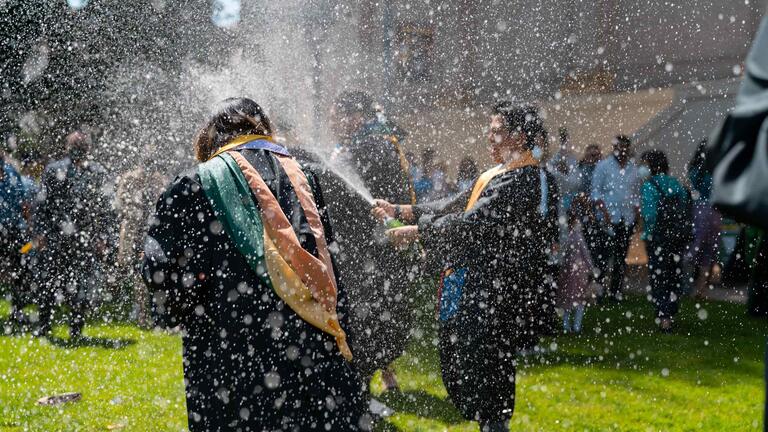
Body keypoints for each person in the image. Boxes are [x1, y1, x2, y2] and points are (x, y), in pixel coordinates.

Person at [142, 98, 367, 431]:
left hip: (229, 359)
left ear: (210, 135)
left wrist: (186, 308)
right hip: (311, 353)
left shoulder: (194, 183)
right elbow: (328, 262)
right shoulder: (303, 176)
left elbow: (159, 273)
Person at [372, 102, 549, 432]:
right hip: (472, 287)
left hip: (494, 293)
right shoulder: (495, 174)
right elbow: (451, 204)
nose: (490, 138)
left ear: (520, 137)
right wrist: (402, 209)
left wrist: (417, 232)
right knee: (462, 367)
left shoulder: (523, 178)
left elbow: (473, 223)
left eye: (497, 132)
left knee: (485, 373)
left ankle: (493, 423)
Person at [328, 90, 417, 390]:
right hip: (379, 243)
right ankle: (381, 373)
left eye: (337, 115)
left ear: (356, 118)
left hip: (370, 245)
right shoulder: (378, 140)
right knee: (381, 309)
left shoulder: (370, 146)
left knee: (368, 312)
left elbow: (349, 197)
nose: (333, 121)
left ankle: (362, 383)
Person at [33, 131, 115, 339]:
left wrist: (105, 237)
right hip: (65, 237)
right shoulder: (59, 171)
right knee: (59, 283)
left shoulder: (94, 172)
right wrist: (41, 233)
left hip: (74, 237)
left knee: (71, 284)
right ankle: (54, 327)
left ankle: (64, 329)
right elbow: (42, 205)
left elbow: (108, 210)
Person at [640, 149, 692, 332]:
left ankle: (664, 317)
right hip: (677, 237)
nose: (641, 168)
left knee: (659, 276)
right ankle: (671, 309)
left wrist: (649, 234)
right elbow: (685, 207)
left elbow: (649, 215)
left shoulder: (649, 186)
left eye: (644, 164)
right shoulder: (676, 183)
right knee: (674, 274)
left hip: (658, 239)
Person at [590, 135, 641, 301]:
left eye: (625, 147)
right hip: (607, 219)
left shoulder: (633, 168)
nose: (623, 151)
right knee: (602, 257)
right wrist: (603, 211)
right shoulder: (603, 166)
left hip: (626, 219)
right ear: (614, 148)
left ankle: (615, 291)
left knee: (621, 257)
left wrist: (637, 213)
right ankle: (599, 292)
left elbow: (635, 194)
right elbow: (595, 192)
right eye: (620, 147)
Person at [114, 165, 167, 327]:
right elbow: (121, 202)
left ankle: (152, 314)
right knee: (139, 274)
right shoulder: (130, 179)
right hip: (135, 231)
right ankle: (143, 314)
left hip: (150, 231)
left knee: (150, 273)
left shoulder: (158, 180)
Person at [0, 150, 36, 327]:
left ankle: (17, 311)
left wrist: (29, 227)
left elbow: (24, 204)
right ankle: (18, 310)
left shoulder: (10, 172)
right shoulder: (10, 171)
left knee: (21, 271)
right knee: (20, 270)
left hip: (12, 231)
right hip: (12, 231)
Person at [687, 139, 722, 299]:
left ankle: (685, 286)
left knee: (692, 250)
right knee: (708, 253)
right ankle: (702, 289)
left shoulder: (694, 171)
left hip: (697, 212)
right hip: (714, 213)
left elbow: (692, 189)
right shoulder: (716, 170)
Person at [557, 197, 596, 334]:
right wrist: (592, 268)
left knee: (567, 301)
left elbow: (562, 254)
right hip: (579, 272)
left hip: (568, 271)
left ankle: (566, 325)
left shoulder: (565, 236)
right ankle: (576, 326)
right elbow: (585, 253)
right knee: (579, 301)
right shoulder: (577, 236)